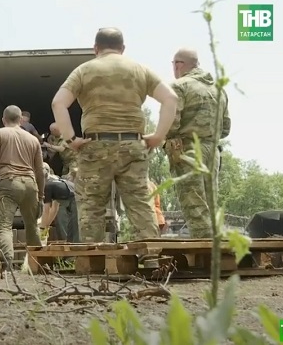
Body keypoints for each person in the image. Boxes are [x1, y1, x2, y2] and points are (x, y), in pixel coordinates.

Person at [51, 27, 178, 242]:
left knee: (91, 206)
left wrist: (71, 139)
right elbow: (171, 98)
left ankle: (93, 261)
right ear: (123, 48)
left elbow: (58, 103)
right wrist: (158, 136)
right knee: (140, 203)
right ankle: (151, 257)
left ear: (95, 48)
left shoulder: (84, 70)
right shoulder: (140, 69)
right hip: (133, 145)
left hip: (95, 146)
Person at [165, 48, 231, 238]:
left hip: (188, 151)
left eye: (174, 64)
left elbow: (171, 123)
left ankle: (206, 253)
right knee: (210, 204)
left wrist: (164, 138)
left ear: (179, 64)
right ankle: (217, 244)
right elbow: (225, 127)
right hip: (213, 151)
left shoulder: (180, 86)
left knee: (194, 204)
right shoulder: (218, 89)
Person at [0, 105, 44, 270]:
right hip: (31, 184)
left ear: (3, 120)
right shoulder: (33, 139)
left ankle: (7, 265)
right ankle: (38, 265)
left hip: (8, 182)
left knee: (3, 226)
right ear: (21, 120)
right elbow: (40, 170)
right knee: (32, 225)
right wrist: (42, 197)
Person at [40, 163, 80, 243]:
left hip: (75, 199)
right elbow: (54, 209)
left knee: (73, 232)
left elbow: (46, 210)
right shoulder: (56, 181)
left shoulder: (47, 186)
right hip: (74, 197)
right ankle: (70, 253)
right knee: (71, 230)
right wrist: (47, 226)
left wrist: (42, 229)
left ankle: (72, 254)